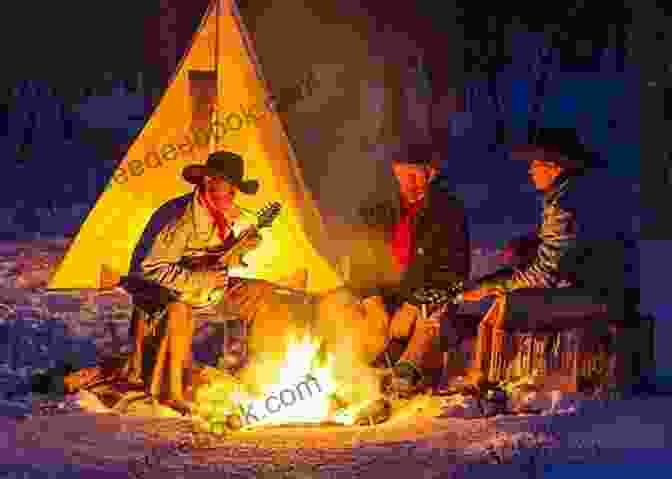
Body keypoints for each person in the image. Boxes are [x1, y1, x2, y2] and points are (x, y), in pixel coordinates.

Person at [121, 150, 293, 414]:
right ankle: (172, 392)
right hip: (164, 296)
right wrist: (200, 278)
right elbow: (147, 270)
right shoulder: (180, 220)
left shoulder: (225, 213)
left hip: (207, 290)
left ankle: (257, 376)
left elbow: (216, 260)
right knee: (181, 309)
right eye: (228, 186)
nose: (234, 194)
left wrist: (241, 250)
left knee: (263, 293)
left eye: (236, 187)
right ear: (208, 182)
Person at [317, 143, 470, 398]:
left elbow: (455, 274)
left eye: (413, 175)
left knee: (431, 318)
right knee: (339, 305)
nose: (406, 183)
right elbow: (360, 259)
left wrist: (412, 305)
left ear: (430, 173)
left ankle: (405, 372)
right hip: (385, 302)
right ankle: (340, 373)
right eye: (400, 175)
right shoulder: (379, 208)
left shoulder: (447, 212)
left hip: (421, 305)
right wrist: (371, 300)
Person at [459, 127, 604, 384]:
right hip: (593, 288)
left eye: (535, 164)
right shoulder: (568, 195)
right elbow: (560, 249)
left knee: (508, 305)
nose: (530, 171)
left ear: (555, 168)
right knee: (507, 294)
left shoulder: (564, 204)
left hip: (594, 296)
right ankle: (486, 377)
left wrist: (491, 286)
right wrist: (526, 246)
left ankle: (492, 381)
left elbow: (546, 273)